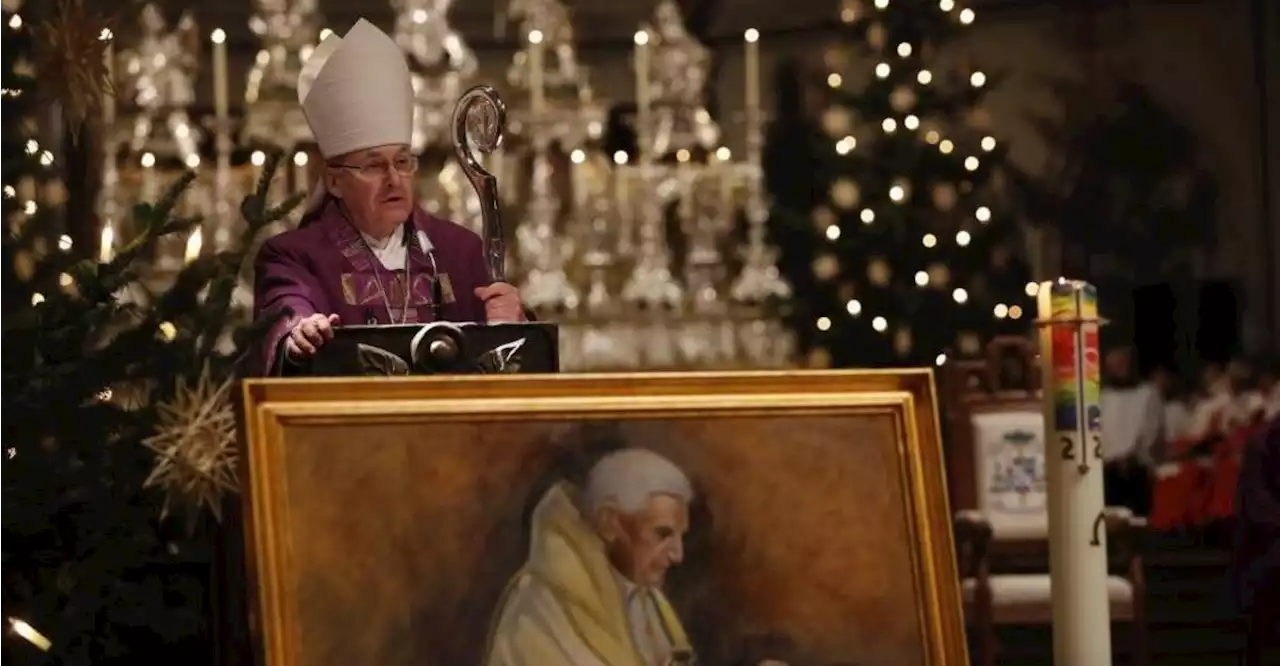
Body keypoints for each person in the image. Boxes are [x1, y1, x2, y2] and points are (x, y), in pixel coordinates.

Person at [252, 19, 526, 374]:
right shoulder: (294, 257)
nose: (394, 179)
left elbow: (510, 360)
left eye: (402, 161)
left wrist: (515, 322)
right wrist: (299, 334)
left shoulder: (461, 250)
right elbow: (288, 307)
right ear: (334, 181)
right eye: (373, 166)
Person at [483, 448, 793, 666]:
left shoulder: (646, 598)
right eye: (662, 534)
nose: (677, 555)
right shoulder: (537, 609)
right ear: (610, 523)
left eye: (680, 537)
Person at [1099, 347, 1162, 515]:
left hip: (1136, 467)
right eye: (1115, 365)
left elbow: (1151, 429)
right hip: (1108, 468)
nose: (1120, 368)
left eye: (1123, 363)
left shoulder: (1148, 393)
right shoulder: (1102, 396)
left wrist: (1133, 455)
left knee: (1138, 520)